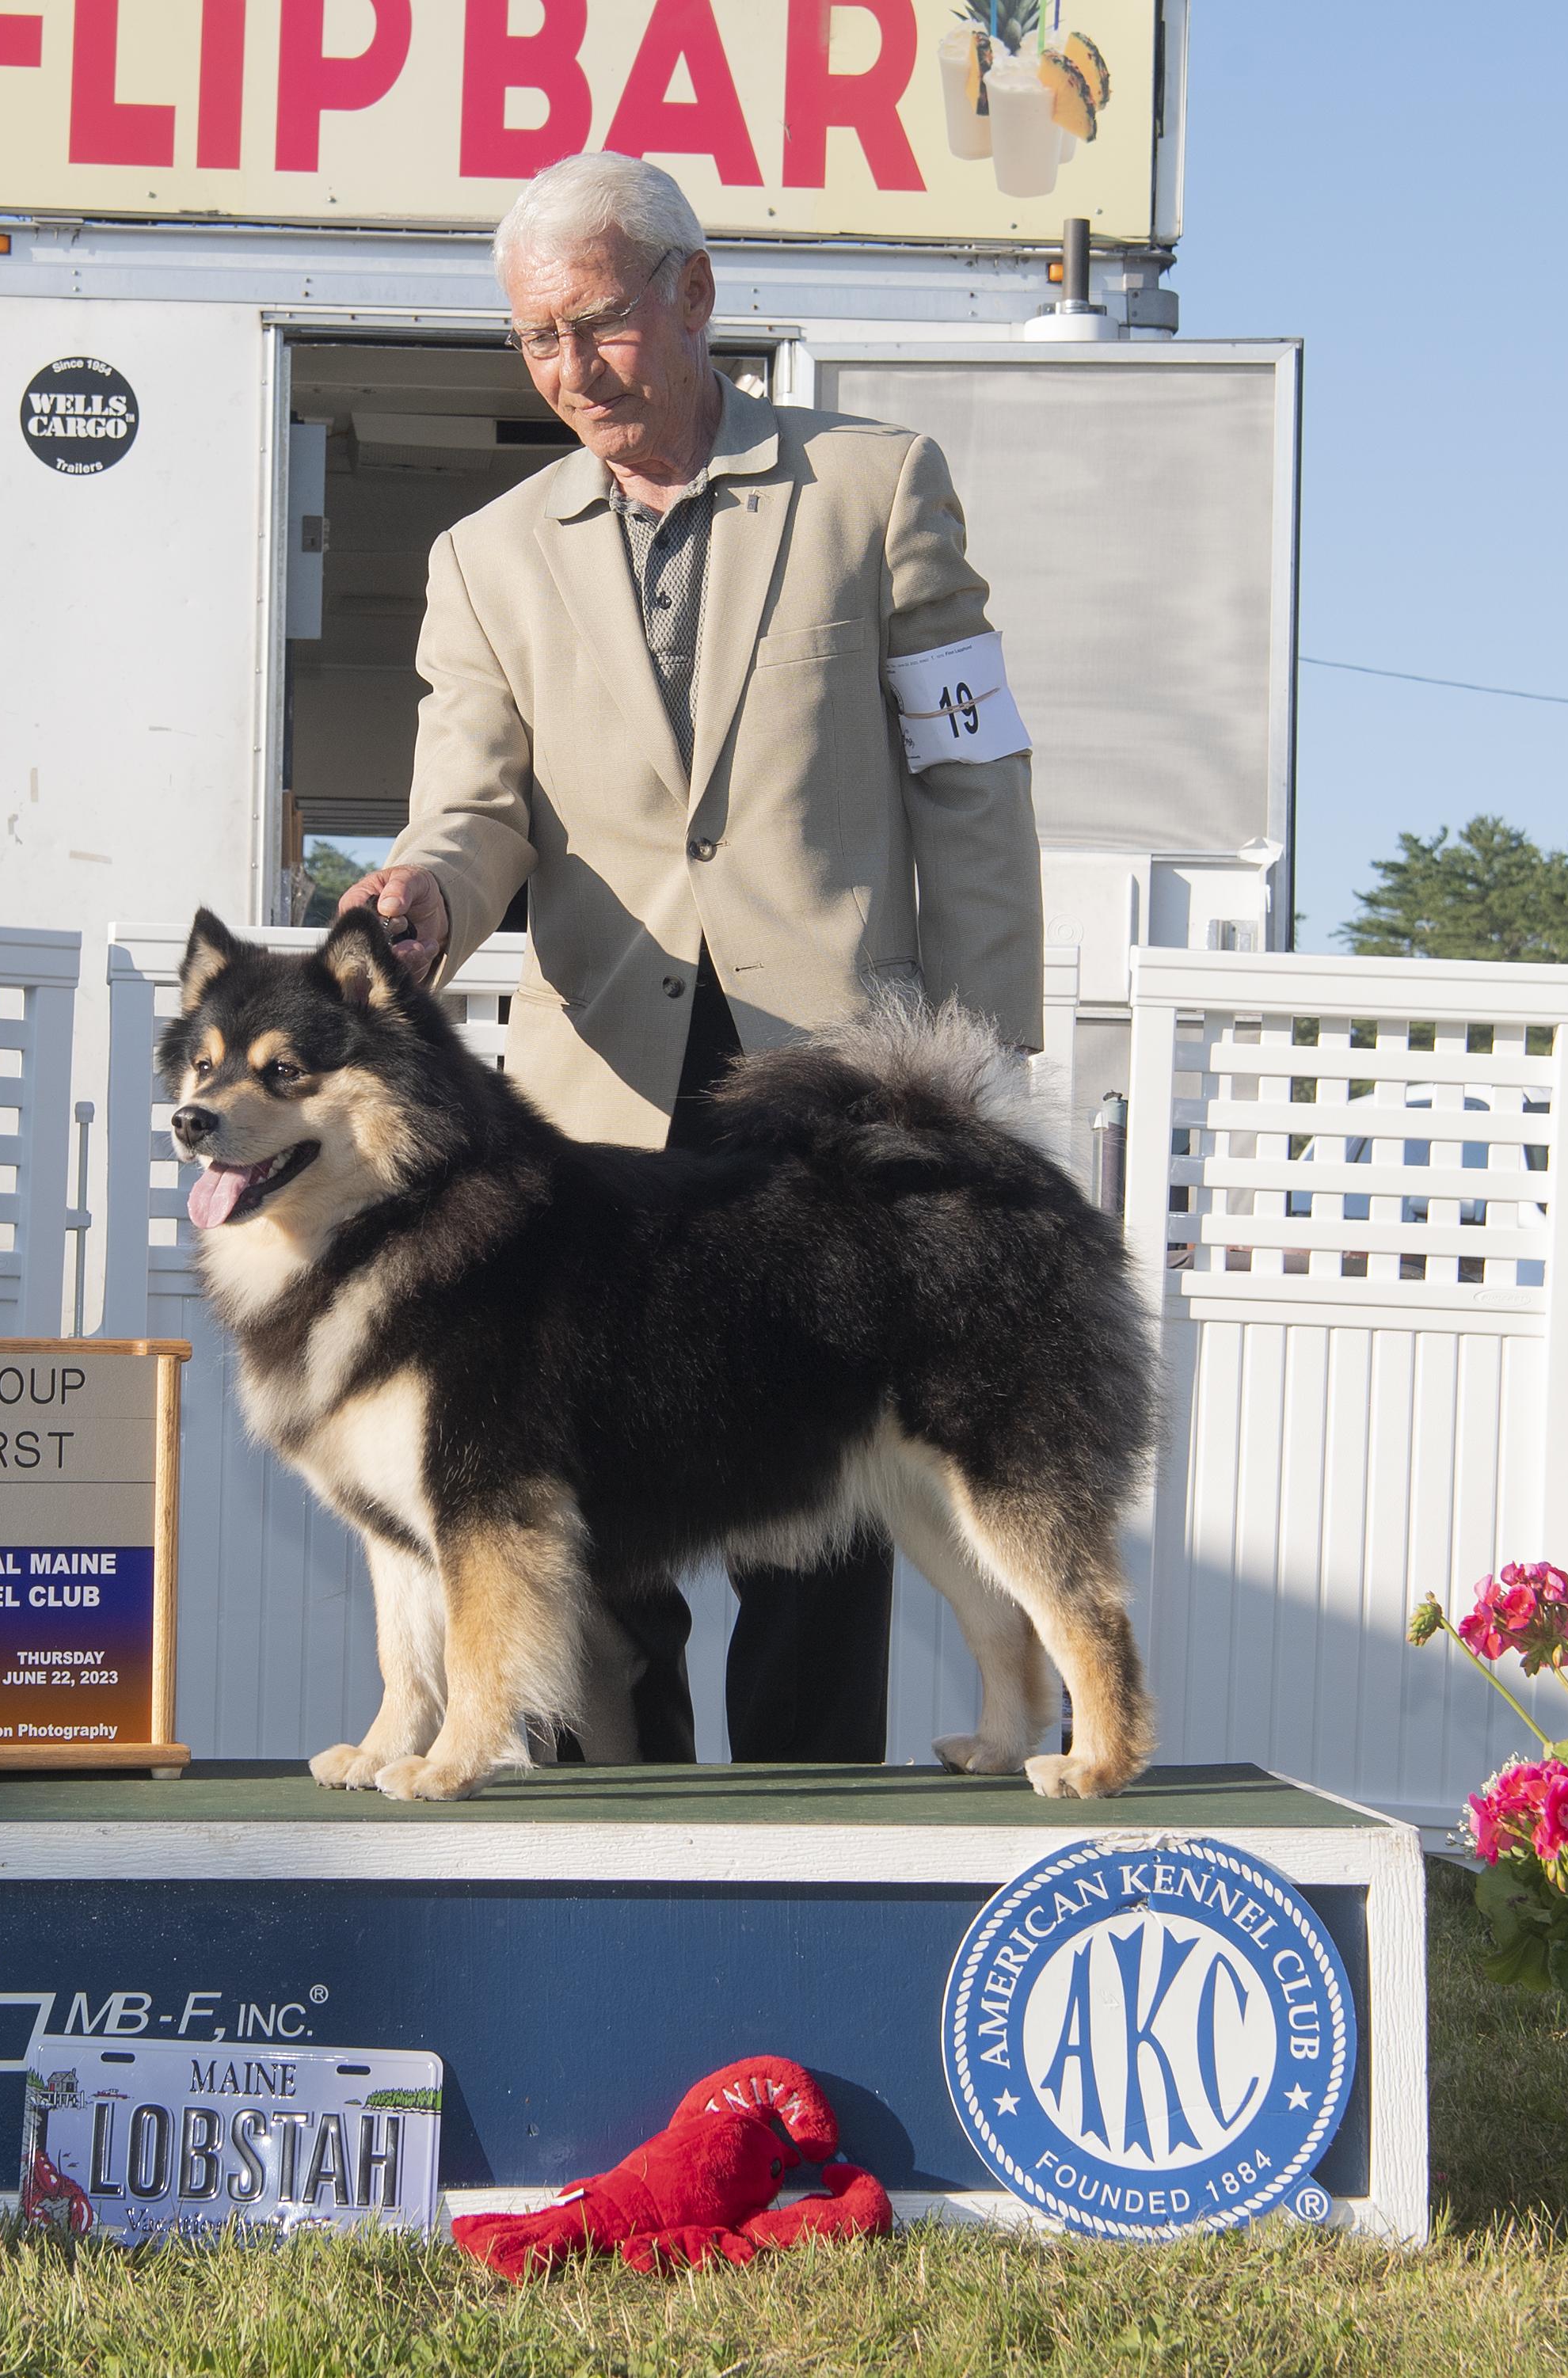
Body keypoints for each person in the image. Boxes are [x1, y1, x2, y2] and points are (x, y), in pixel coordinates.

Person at [339, 151, 1041, 1770]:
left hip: (833, 1095)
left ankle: (813, 1847)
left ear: (694, 295)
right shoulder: (483, 557)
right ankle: (609, 1846)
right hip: (596, 1103)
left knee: (830, 1503)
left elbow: (970, 777)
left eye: (595, 324)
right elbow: (468, 812)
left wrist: (979, 1058)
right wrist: (427, 898)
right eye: (535, 340)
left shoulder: (877, 486)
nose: (570, 370)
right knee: (592, 1508)